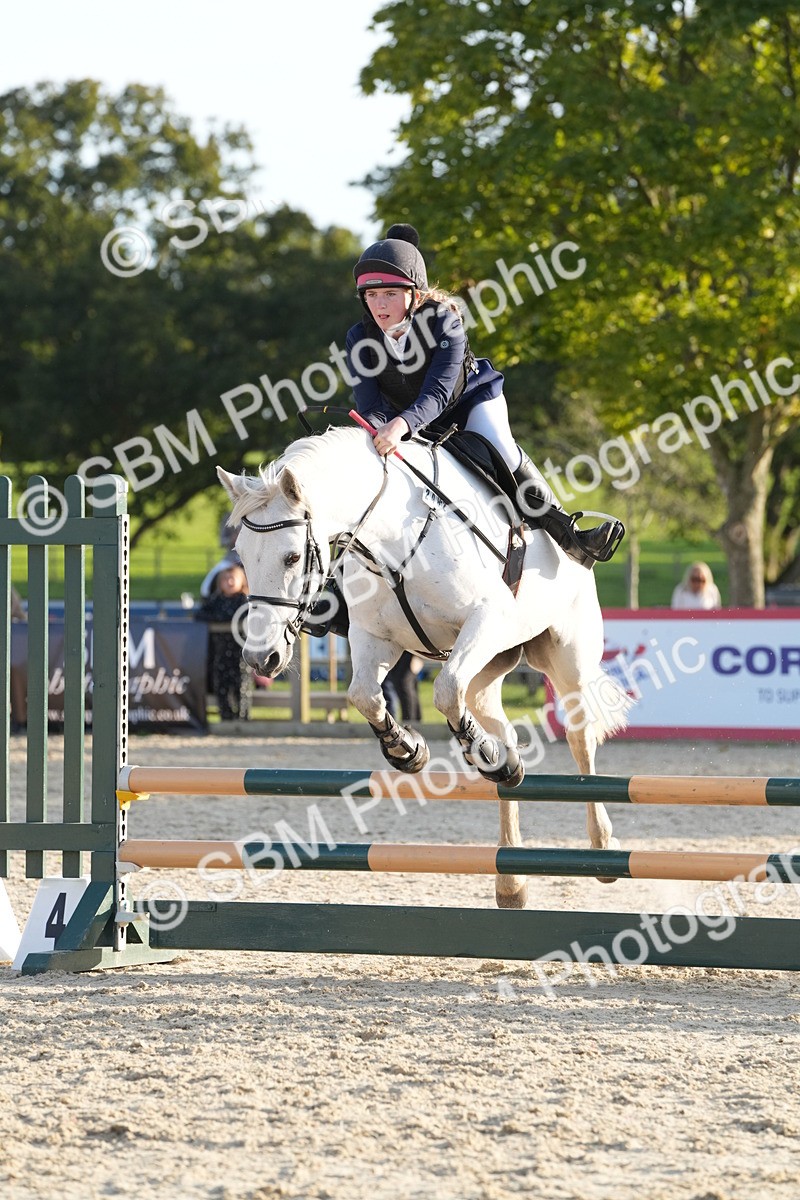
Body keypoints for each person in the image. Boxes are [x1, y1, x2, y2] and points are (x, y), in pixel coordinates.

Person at [345, 223, 624, 568]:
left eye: (389, 294)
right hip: (412, 419)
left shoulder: (444, 321)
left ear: (415, 296)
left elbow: (438, 391)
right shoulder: (359, 338)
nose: (379, 304)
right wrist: (374, 430)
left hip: (468, 403)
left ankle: (571, 536)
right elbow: (371, 406)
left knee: (501, 449)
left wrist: (400, 424)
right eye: (371, 295)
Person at [195, 563, 253, 721]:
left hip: (241, 654)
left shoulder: (244, 601)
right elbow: (199, 614)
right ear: (220, 583)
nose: (229, 582)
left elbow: (245, 616)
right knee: (221, 686)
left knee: (241, 687)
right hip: (220, 653)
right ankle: (226, 719)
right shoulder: (216, 600)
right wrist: (218, 619)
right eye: (225, 579)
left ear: (242, 581)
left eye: (233, 578)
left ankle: (243, 720)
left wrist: (224, 619)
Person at [381, 651, 422, 724]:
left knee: (404, 682)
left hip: (412, 651)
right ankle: (412, 722)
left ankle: (410, 723)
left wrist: (418, 656)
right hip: (396, 650)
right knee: (402, 682)